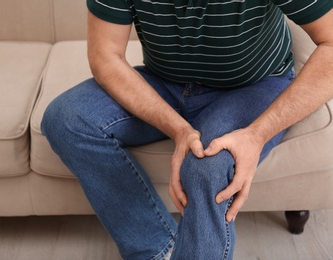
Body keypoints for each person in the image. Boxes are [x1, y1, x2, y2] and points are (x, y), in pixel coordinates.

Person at [41, 0, 333, 259]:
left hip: (253, 85)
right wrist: (179, 129)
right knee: (67, 119)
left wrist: (256, 135)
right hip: (166, 83)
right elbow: (106, 57)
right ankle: (161, 251)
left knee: (208, 167)